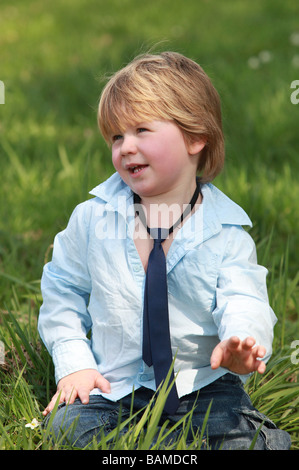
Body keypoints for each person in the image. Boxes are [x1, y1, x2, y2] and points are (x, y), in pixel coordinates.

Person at [38, 51, 291, 449]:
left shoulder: (226, 233)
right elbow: (62, 291)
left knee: (246, 441)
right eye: (116, 136)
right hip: (114, 387)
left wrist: (241, 341)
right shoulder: (92, 219)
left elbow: (244, 298)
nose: (125, 147)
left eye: (141, 130)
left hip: (203, 385)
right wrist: (76, 364)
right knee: (68, 428)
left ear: (195, 137)